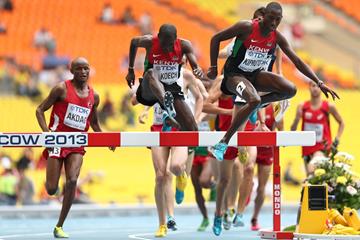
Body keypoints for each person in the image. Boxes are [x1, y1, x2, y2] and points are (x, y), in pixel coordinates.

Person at [207, 1, 339, 161]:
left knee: (290, 89)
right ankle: (222, 143)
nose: (274, 23)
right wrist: (213, 67)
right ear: (263, 17)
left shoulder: (276, 36)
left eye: (278, 19)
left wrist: (319, 82)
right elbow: (216, 38)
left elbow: (296, 60)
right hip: (234, 76)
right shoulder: (246, 27)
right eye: (271, 18)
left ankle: (256, 105)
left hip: (254, 75)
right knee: (253, 99)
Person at [35, 57, 115, 238]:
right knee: (51, 189)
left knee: (72, 180)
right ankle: (54, 191)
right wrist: (47, 134)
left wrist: (105, 138)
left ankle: (60, 225)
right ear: (72, 71)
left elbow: (94, 123)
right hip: (57, 141)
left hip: (77, 144)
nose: (83, 72)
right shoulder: (60, 89)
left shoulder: (94, 96)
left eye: (86, 68)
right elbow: (39, 110)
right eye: (79, 69)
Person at [126, 23, 203, 132]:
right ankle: (167, 107)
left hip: (171, 88)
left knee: (193, 130)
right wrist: (130, 70)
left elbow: (195, 65)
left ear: (176, 39)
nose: (167, 48)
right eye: (163, 44)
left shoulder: (184, 45)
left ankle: (169, 118)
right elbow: (134, 42)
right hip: (150, 88)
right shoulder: (149, 42)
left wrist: (197, 69)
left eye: (170, 44)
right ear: (158, 36)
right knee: (151, 73)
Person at [291, 81, 344, 175]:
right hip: (306, 148)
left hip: (322, 147)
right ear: (309, 87)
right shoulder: (302, 106)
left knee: (313, 169)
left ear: (322, 88)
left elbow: (341, 123)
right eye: (313, 86)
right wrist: (297, 119)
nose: (315, 88)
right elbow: (292, 130)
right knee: (310, 179)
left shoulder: (328, 106)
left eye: (318, 86)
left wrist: (336, 140)